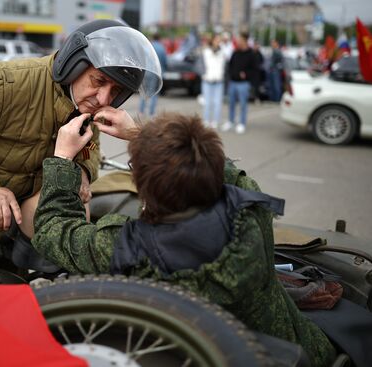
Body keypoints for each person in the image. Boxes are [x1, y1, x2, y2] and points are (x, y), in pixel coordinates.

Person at [32, 112, 336, 367]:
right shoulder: (251, 209)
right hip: (301, 351)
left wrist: (62, 158)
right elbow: (227, 171)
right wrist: (141, 134)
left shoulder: (132, 249)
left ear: (143, 187)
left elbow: (51, 229)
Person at [0, 19, 162, 237]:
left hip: (22, 224)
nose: (104, 99)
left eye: (116, 91)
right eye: (99, 81)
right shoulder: (3, 84)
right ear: (73, 64)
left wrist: (84, 171)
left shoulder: (83, 105)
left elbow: (89, 148)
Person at [221, 32, 259, 134]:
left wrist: (246, 74)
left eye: (240, 39)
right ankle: (230, 121)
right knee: (231, 103)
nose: (238, 41)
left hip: (244, 84)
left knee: (243, 104)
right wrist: (232, 74)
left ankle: (242, 123)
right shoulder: (235, 52)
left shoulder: (251, 54)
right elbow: (230, 65)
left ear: (245, 41)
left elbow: (255, 69)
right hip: (233, 82)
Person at [201, 34, 226, 128]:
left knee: (217, 103)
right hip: (207, 80)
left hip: (218, 81)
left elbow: (224, 66)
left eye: (220, 40)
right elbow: (201, 63)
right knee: (207, 103)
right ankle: (206, 120)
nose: (218, 41)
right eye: (216, 40)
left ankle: (215, 121)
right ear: (212, 40)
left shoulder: (222, 52)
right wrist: (204, 74)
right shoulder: (206, 51)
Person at [139, 34, 167, 117]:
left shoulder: (147, 46)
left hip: (146, 72)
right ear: (159, 39)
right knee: (154, 93)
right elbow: (164, 61)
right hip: (156, 73)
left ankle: (141, 111)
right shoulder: (161, 48)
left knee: (144, 91)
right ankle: (151, 113)